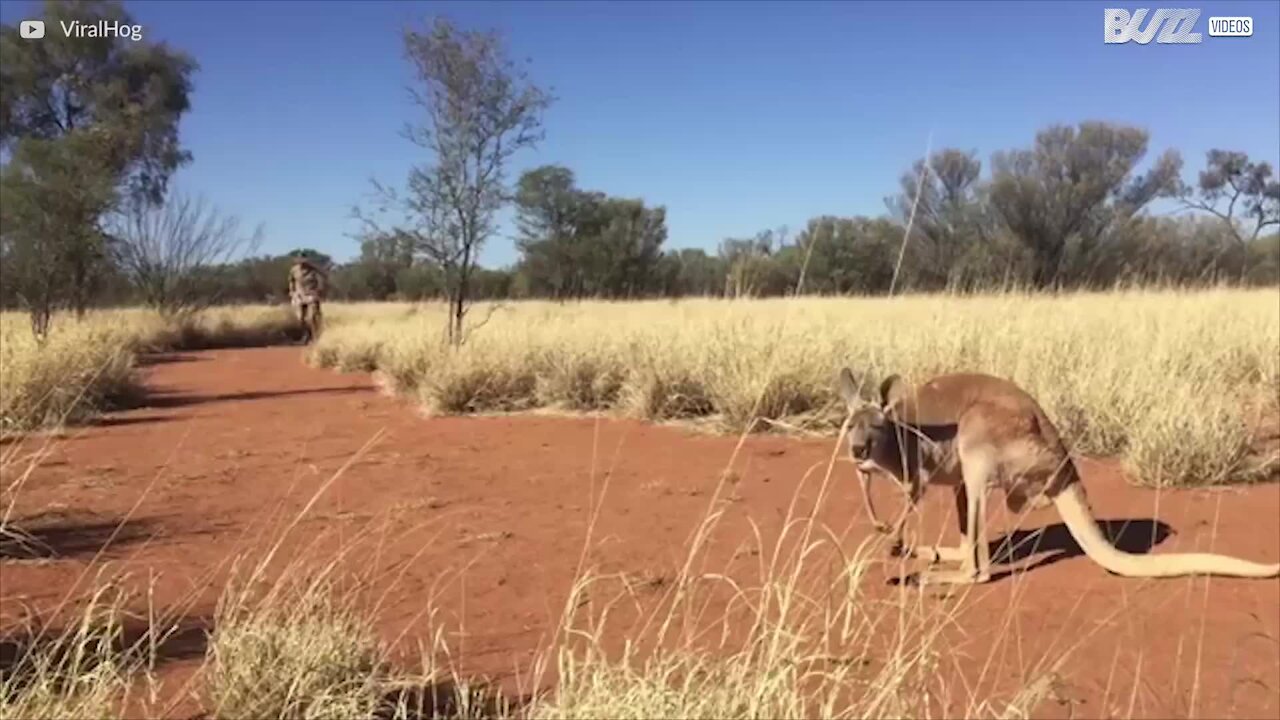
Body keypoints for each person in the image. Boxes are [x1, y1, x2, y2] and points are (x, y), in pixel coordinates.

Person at [287, 254, 328, 344]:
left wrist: (318, 291)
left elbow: (323, 278)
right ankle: (305, 336)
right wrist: (292, 291)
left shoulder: (313, 269)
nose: (301, 261)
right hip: (299, 295)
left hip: (311, 294)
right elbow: (291, 280)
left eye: (303, 259)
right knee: (300, 318)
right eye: (299, 259)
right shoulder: (294, 270)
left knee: (312, 317)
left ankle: (316, 337)